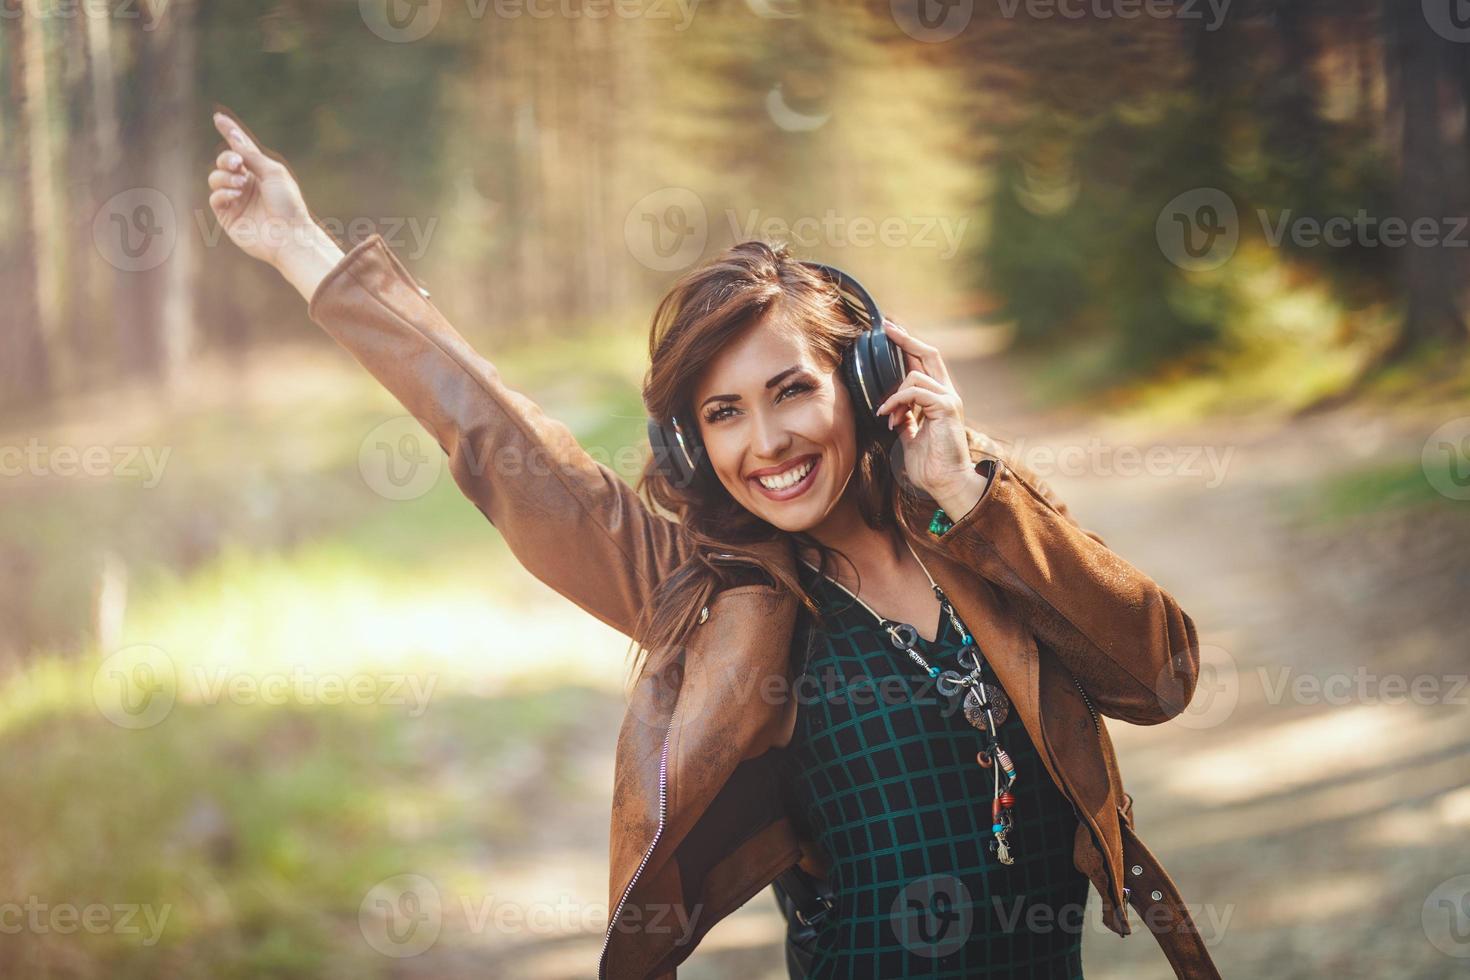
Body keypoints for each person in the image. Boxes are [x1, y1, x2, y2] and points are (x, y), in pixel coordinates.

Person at [206, 109, 1219, 980]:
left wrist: (967, 489)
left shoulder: (983, 521)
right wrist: (302, 247)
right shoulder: (712, 590)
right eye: (724, 412)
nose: (767, 443)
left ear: (862, 383)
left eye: (792, 390)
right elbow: (501, 444)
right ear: (693, 438)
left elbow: (1159, 673)